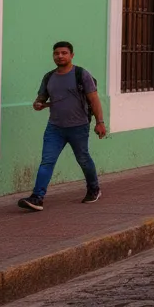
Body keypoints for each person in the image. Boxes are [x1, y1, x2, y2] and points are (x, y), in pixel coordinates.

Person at [19, 41, 106, 211]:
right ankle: (37, 197)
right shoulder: (48, 77)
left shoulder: (81, 74)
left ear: (71, 55)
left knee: (83, 159)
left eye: (64, 53)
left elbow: (94, 99)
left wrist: (100, 122)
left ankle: (94, 188)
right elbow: (41, 99)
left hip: (78, 127)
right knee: (47, 161)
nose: (60, 56)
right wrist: (38, 104)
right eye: (56, 53)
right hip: (55, 128)